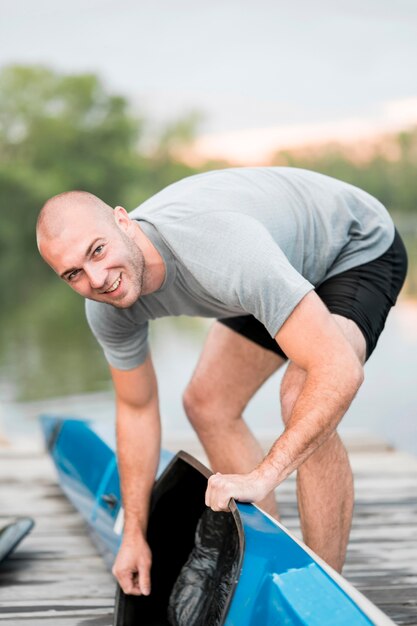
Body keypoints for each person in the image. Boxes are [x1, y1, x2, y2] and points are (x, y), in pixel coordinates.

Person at [36, 166, 407, 596]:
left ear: (123, 221)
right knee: (207, 403)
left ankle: (323, 593)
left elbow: (340, 370)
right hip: (272, 262)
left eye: (97, 251)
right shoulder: (107, 306)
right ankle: (271, 559)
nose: (96, 280)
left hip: (351, 246)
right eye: (73, 274)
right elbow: (136, 409)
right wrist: (134, 534)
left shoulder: (221, 249)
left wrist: (263, 474)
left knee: (301, 393)